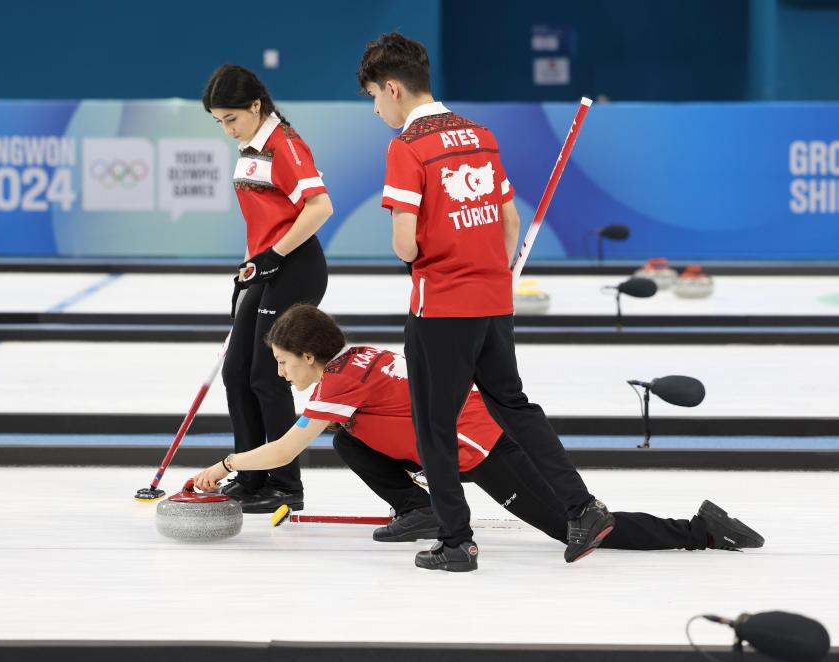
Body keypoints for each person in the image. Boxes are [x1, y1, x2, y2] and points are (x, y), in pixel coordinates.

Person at [192, 305, 765, 565]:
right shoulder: (358, 358)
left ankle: (700, 531)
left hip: (486, 449)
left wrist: (224, 465)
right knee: (347, 438)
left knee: (577, 528)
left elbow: (287, 449)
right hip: (460, 441)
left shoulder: (340, 383)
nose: (281, 373)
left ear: (310, 356)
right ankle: (420, 510)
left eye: (284, 362)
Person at [356, 33, 612, 570]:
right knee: (513, 406)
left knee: (433, 426)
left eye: (374, 96)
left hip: (441, 307)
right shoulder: (480, 135)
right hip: (494, 300)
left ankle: (457, 542)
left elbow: (405, 244)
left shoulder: (406, 147)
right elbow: (509, 221)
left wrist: (433, 257)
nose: (375, 108)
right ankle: (583, 507)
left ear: (393, 88)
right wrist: (489, 272)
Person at [202, 64, 332, 513]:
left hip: (296, 267)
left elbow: (320, 207)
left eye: (231, 118)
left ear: (256, 105)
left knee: (265, 374)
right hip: (268, 267)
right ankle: (251, 477)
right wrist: (250, 265)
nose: (227, 130)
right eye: (219, 122)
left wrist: (273, 255)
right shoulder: (249, 147)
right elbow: (260, 218)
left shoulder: (285, 143)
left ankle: (285, 484)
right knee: (236, 373)